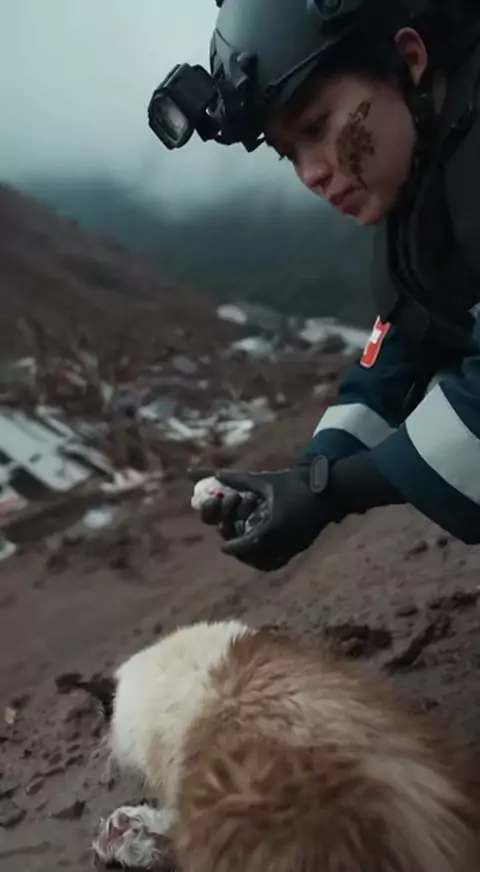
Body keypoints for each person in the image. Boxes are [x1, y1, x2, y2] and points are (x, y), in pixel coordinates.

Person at [150, 0, 480, 571]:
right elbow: (400, 352)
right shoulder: (424, 189)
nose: (311, 173)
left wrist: (331, 493)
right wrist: (311, 473)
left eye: (316, 127)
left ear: (409, 58)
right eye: (289, 154)